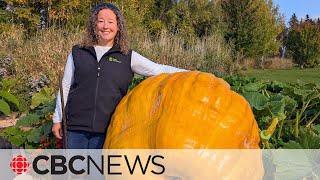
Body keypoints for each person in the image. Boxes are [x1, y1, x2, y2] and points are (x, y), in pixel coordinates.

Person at [51, 2, 186, 149]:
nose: (105, 26)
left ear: (118, 26)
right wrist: (57, 119)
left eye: (110, 22)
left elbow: (156, 69)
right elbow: (65, 86)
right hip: (75, 128)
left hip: (109, 129)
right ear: (94, 25)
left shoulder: (127, 56)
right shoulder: (78, 52)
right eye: (100, 21)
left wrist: (190, 73)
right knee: (74, 170)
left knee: (99, 171)